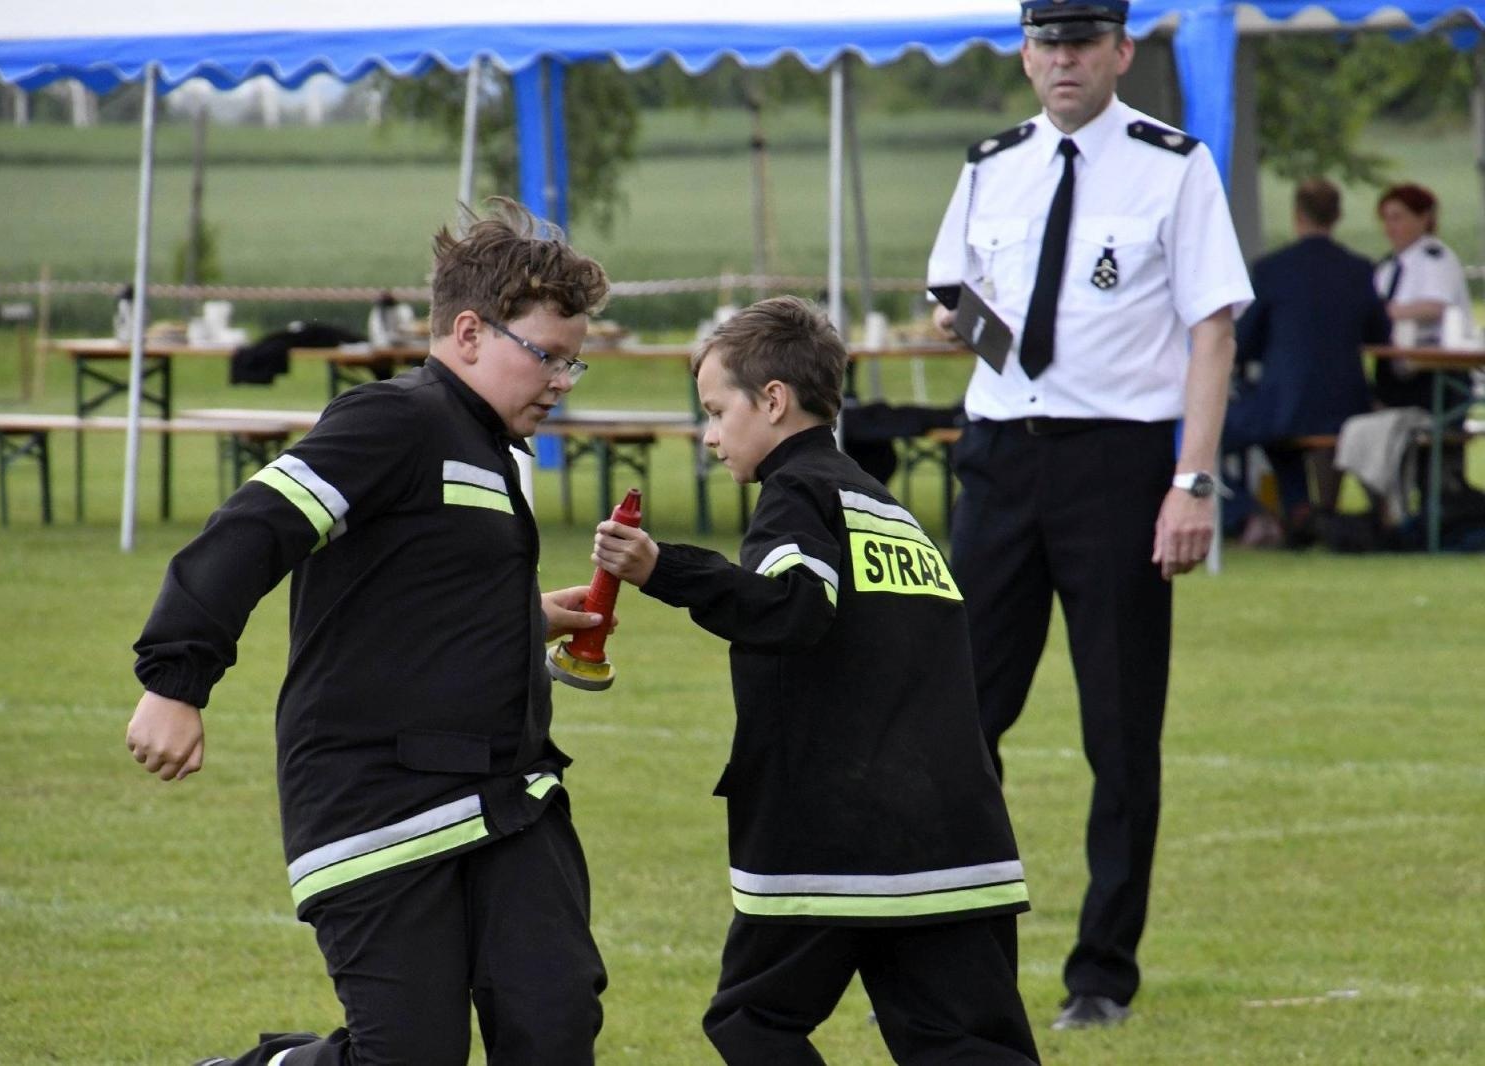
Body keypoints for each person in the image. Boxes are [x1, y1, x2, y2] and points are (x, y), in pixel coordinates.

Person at [125, 198, 611, 1066]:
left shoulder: (486, 447)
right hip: (380, 802)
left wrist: (517, 616)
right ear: (469, 333)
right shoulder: (393, 419)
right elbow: (253, 528)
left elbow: (410, 579)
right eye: (547, 356)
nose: (562, 382)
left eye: (573, 363)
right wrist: (174, 680)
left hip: (507, 798)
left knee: (556, 1023)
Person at [592, 297, 1040, 1065]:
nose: (708, 435)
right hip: (953, 832)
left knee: (753, 1020)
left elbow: (794, 608)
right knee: (958, 1043)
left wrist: (666, 569)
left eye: (716, 411)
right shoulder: (887, 508)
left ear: (773, 401)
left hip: (838, 835)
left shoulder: (796, 493)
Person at [924, 0, 1253, 1031]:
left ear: (1120, 51)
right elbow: (948, 296)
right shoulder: (991, 165)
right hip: (999, 462)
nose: (1063, 60)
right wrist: (1014, 355)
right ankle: (957, 950)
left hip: (1116, 465)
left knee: (1118, 728)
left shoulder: (1173, 166)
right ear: (1025, 56)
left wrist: (1191, 482)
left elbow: (1212, 331)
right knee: (957, 721)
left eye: (1082, 43)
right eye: (1047, 44)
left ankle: (1101, 974)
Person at [1221, 178, 1390, 545]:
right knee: (1275, 439)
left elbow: (1244, 343)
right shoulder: (1359, 269)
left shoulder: (1273, 270)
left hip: (1285, 403)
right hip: (1347, 405)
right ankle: (1299, 510)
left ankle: (1246, 514)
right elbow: (1380, 335)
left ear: (1297, 215)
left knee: (1206, 433)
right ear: (1338, 215)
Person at [1371, 182, 1474, 411]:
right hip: (1393, 365)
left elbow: (1434, 307)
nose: (1389, 227)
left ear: (1424, 218)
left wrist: (1384, 312)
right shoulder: (1388, 266)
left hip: (1434, 369)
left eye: (1397, 218)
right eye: (1385, 219)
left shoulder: (1436, 259)